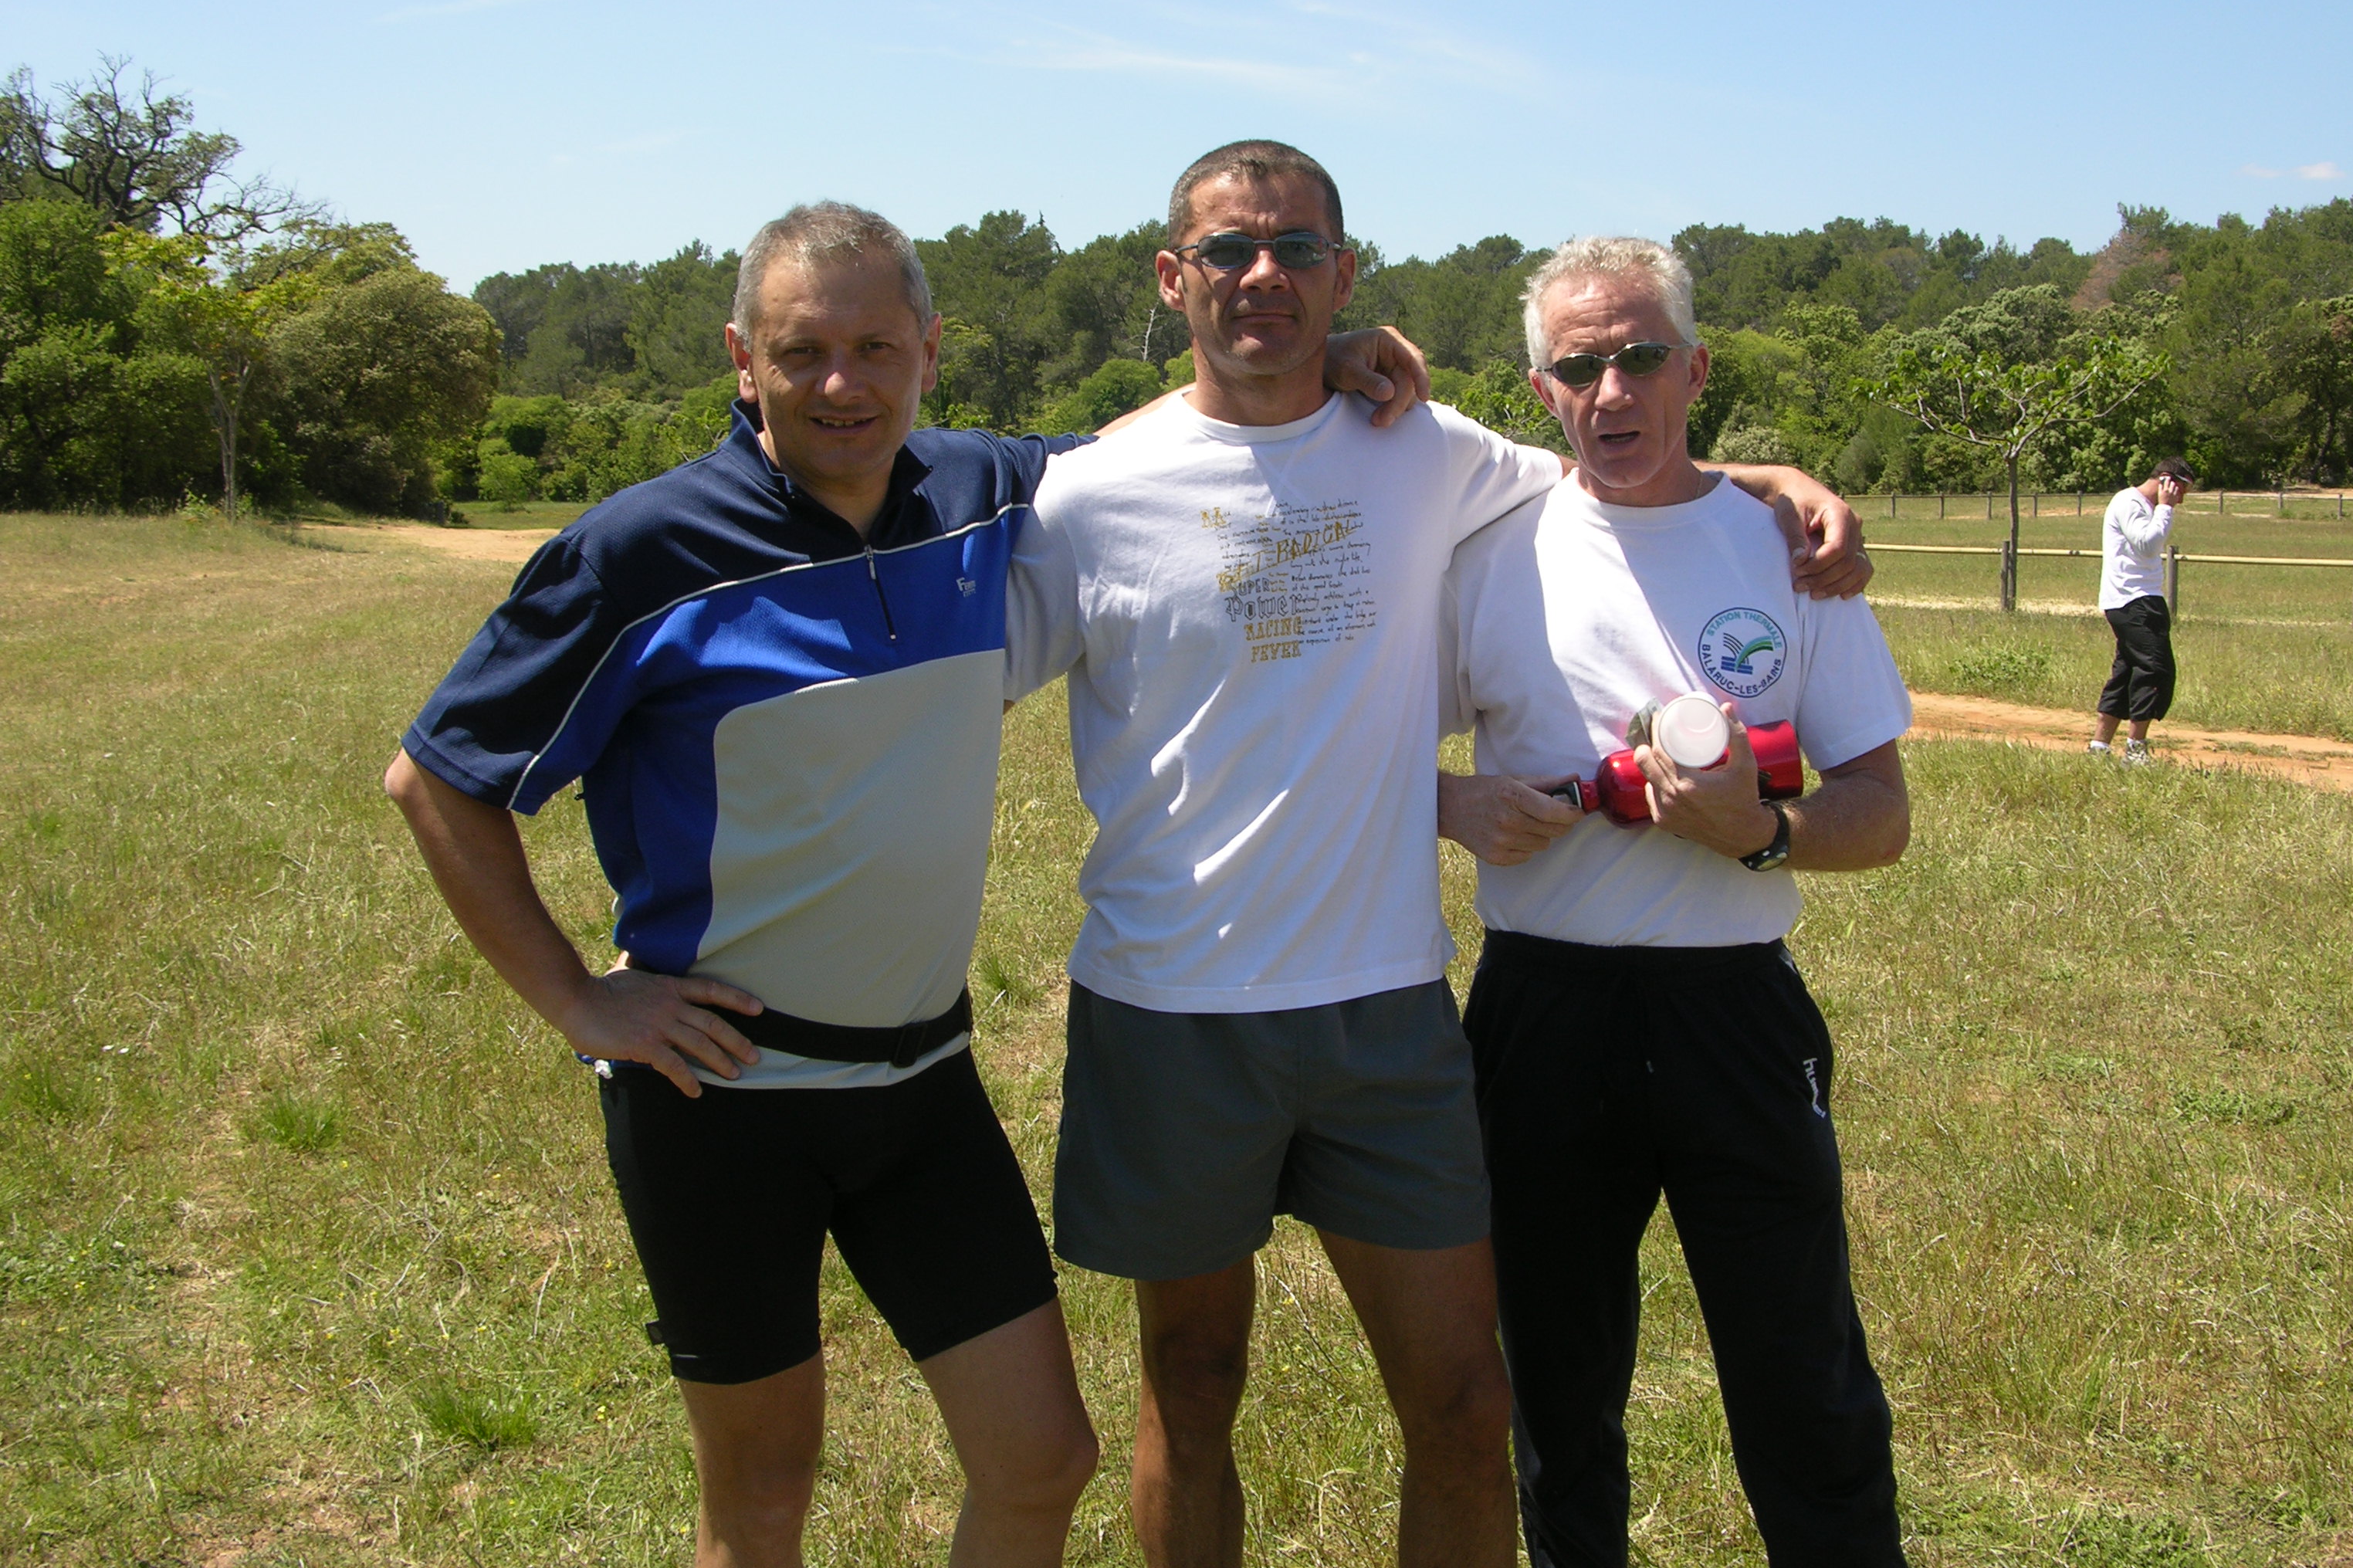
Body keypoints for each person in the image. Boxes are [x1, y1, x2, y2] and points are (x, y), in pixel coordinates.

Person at [381, 199, 1431, 1568]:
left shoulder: (976, 489)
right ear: (742, 358)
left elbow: (1155, 441)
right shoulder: (642, 553)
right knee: (763, 1497)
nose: (842, 384)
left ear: (929, 351)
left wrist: (1314, 357)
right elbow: (438, 779)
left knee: (1040, 1458)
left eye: (875, 347)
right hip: (722, 1100)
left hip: (924, 1086)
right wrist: (581, 1001)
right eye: (801, 351)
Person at [1004, 144, 1874, 1568]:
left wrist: (1769, 483)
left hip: (1387, 1006)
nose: (1263, 275)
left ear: (1345, 272)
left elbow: (1629, 471)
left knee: (1470, 1404)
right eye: (1227, 251)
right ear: (1170, 279)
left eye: (1296, 248)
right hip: (1168, 1000)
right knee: (1193, 1383)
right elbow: (957, 690)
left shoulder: (1430, 448)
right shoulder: (1089, 495)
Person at [1434, 235, 1915, 1568]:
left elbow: (1880, 810)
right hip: (1542, 1012)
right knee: (1557, 1387)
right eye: (1577, 365)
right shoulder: (1489, 553)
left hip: (1734, 1014)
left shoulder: (1785, 550)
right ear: (1541, 388)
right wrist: (1451, 803)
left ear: (1694, 370)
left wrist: (1762, 832)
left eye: (1640, 356)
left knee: (1802, 1376)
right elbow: (1367, 755)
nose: (1611, 389)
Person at [2089, 456, 2194, 766]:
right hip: (2132, 600)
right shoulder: (2129, 502)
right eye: (2181, 489)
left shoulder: (2146, 506)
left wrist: (2162, 508)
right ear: (2165, 481)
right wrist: (2165, 507)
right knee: (2154, 669)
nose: (2181, 498)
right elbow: (2147, 544)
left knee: (2127, 671)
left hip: (2142, 599)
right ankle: (2135, 751)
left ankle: (2099, 747)